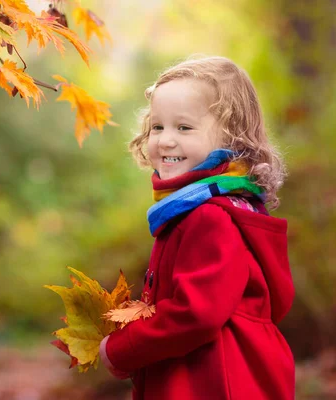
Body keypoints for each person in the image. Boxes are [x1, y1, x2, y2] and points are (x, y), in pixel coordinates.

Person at [99, 56, 295, 400]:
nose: (166, 140)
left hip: (212, 382)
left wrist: (123, 348)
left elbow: (196, 313)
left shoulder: (210, 217)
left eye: (184, 128)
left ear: (231, 135)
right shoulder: (203, 208)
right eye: (157, 127)